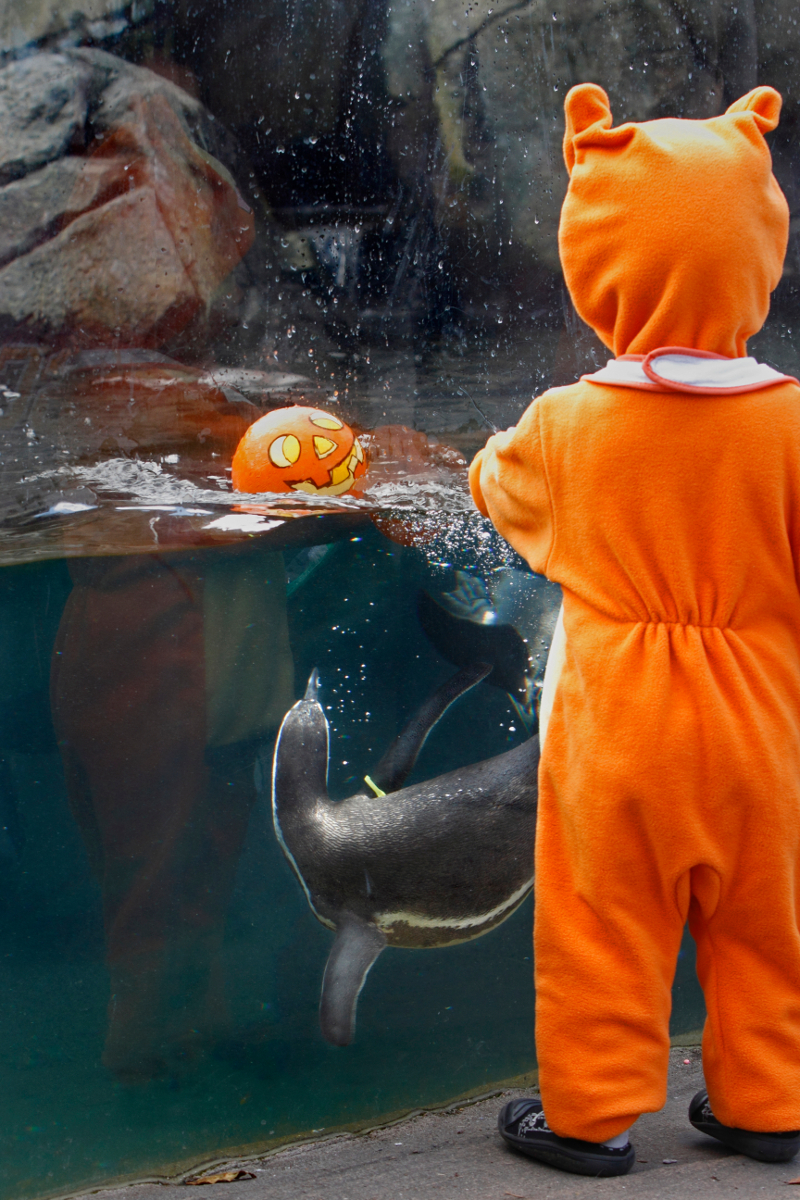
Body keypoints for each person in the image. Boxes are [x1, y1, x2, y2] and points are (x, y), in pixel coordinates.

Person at [469, 82, 800, 1177]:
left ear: (593, 260)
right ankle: (766, 1101)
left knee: (602, 926)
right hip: (763, 732)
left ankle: (593, 1119)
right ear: (757, 250)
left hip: (617, 735)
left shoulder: (568, 425)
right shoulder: (792, 421)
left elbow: (491, 488)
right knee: (766, 926)